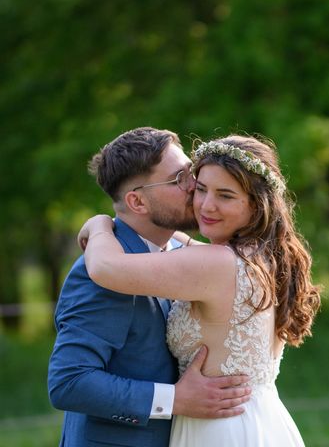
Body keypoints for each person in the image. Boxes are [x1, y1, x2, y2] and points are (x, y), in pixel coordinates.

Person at [77, 134, 322, 446]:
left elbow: (104, 269)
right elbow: (188, 245)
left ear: (257, 204)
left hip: (221, 431)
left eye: (226, 196)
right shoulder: (263, 256)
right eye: (201, 189)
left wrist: (99, 225)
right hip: (260, 420)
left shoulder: (216, 263)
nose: (207, 205)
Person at [48, 127, 251, 447]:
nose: (194, 185)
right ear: (137, 201)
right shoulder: (98, 275)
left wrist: (98, 222)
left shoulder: (180, 253)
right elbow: (69, 382)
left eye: (191, 172)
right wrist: (175, 400)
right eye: (178, 179)